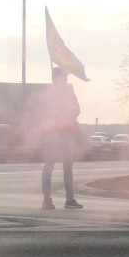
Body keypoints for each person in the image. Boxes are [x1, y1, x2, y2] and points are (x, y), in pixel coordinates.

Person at [41, 66, 82, 210]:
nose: (65, 80)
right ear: (55, 79)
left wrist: (68, 110)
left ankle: (69, 200)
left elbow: (77, 110)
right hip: (52, 134)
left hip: (67, 134)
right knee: (49, 167)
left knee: (68, 168)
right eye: (63, 78)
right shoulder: (48, 94)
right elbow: (45, 111)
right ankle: (47, 200)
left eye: (66, 78)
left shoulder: (70, 93)